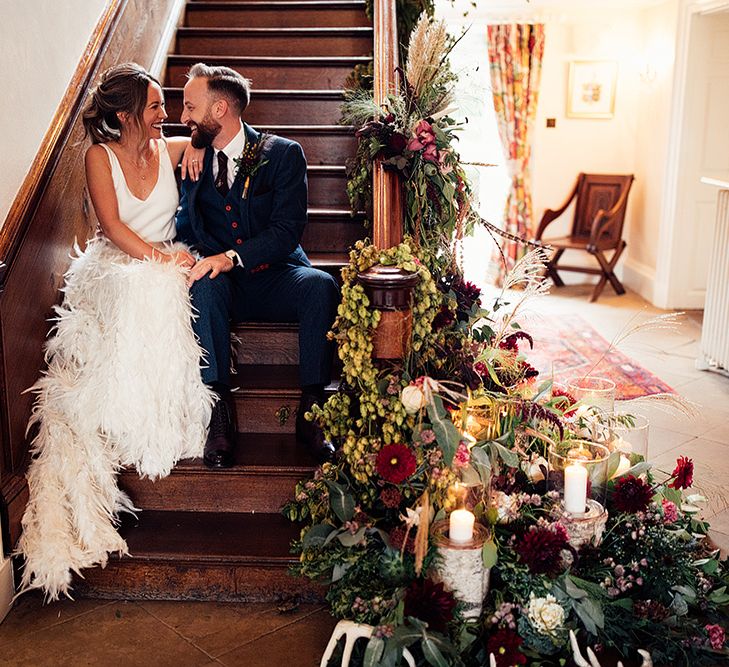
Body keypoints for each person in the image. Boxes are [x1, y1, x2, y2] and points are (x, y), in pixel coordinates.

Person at [17, 63, 213, 600]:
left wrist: (194, 142)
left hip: (166, 258)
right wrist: (158, 261)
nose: (164, 116)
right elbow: (112, 227)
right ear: (126, 114)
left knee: (167, 287)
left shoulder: (171, 148)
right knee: (143, 287)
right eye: (154, 107)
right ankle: (121, 419)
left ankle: (165, 417)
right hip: (117, 262)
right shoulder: (98, 157)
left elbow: (204, 133)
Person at [176, 63, 339, 467]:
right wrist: (190, 256)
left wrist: (231, 256)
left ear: (219, 111)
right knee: (204, 286)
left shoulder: (283, 155)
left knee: (321, 285)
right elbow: (185, 223)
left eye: (190, 107)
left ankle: (312, 411)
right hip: (226, 288)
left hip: (276, 276)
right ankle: (220, 415)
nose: (182, 118)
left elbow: (286, 231)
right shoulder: (195, 158)